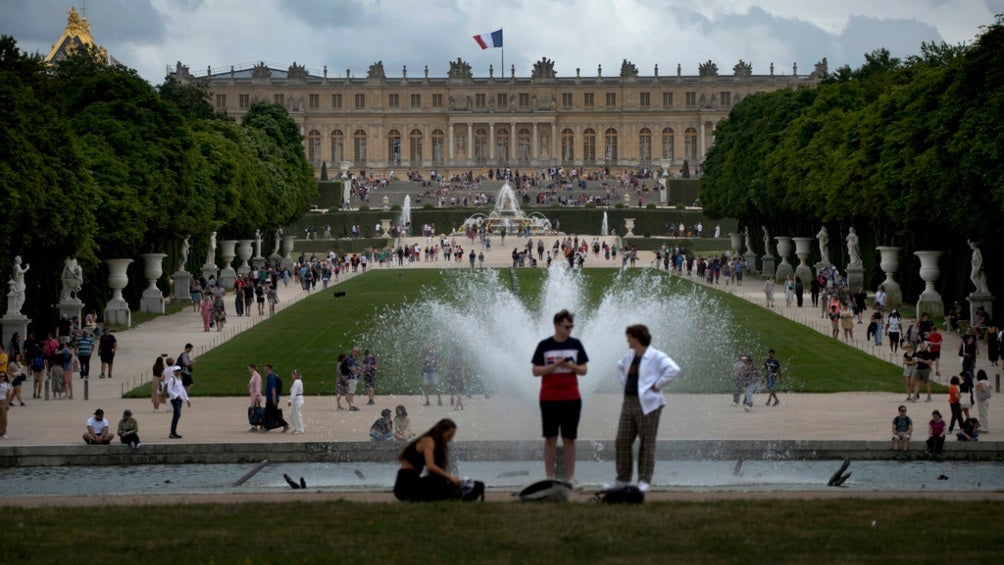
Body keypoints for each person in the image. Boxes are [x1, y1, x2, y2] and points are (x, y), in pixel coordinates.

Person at [607, 324, 680, 493]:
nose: (627, 340)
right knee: (622, 441)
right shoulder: (630, 355)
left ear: (637, 338)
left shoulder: (655, 356)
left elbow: (673, 369)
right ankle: (622, 479)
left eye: (629, 337)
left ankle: (644, 480)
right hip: (629, 402)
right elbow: (619, 367)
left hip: (649, 405)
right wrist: (625, 384)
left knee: (646, 443)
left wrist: (658, 385)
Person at [531, 309, 589, 484]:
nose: (569, 329)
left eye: (571, 326)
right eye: (566, 326)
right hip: (549, 398)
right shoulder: (544, 345)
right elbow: (535, 371)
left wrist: (571, 366)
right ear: (557, 325)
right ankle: (549, 477)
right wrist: (554, 365)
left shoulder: (576, 344)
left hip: (571, 398)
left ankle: (570, 477)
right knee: (550, 438)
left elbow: (584, 370)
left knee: (569, 438)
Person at [393, 418, 461, 502]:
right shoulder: (428, 441)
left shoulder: (432, 442)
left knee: (441, 482)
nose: (450, 439)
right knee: (440, 481)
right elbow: (431, 466)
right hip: (405, 487)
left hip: (413, 481)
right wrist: (451, 478)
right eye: (449, 435)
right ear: (441, 432)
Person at [164, 357, 190, 439]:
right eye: (176, 371)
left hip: (180, 400)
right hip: (174, 399)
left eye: (179, 371)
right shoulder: (172, 379)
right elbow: (169, 390)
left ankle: (174, 432)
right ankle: (172, 432)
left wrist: (187, 399)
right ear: (174, 372)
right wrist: (176, 396)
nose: (178, 372)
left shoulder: (179, 380)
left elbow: (182, 389)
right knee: (177, 414)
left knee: (177, 415)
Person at [263, 364, 289, 432]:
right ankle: (284, 424)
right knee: (272, 413)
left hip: (272, 399)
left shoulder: (271, 377)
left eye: (267, 370)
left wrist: (274, 398)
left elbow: (273, 388)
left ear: (271, 370)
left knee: (268, 413)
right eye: (264, 370)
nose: (265, 371)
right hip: (271, 398)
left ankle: (266, 427)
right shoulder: (271, 377)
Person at [287, 369, 304, 434]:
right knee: (291, 413)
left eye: (293, 374)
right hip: (296, 399)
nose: (292, 375)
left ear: (296, 375)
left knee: (297, 414)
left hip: (298, 399)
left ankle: (299, 429)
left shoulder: (297, 382)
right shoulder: (297, 381)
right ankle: (295, 428)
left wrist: (290, 400)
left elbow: (294, 392)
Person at [247, 363, 263, 432]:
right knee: (254, 410)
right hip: (253, 394)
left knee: (256, 411)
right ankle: (255, 425)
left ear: (252, 368)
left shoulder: (257, 376)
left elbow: (257, 386)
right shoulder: (254, 375)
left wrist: (257, 395)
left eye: (249, 368)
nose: (248, 370)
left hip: (255, 395)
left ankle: (258, 425)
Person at [0, 371, 12, 439]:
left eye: (3, 376)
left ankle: (2, 432)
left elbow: (8, 394)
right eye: (0, 376)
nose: (2, 377)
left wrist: (8, 403)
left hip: (3, 401)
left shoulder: (7, 384)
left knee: (4, 418)